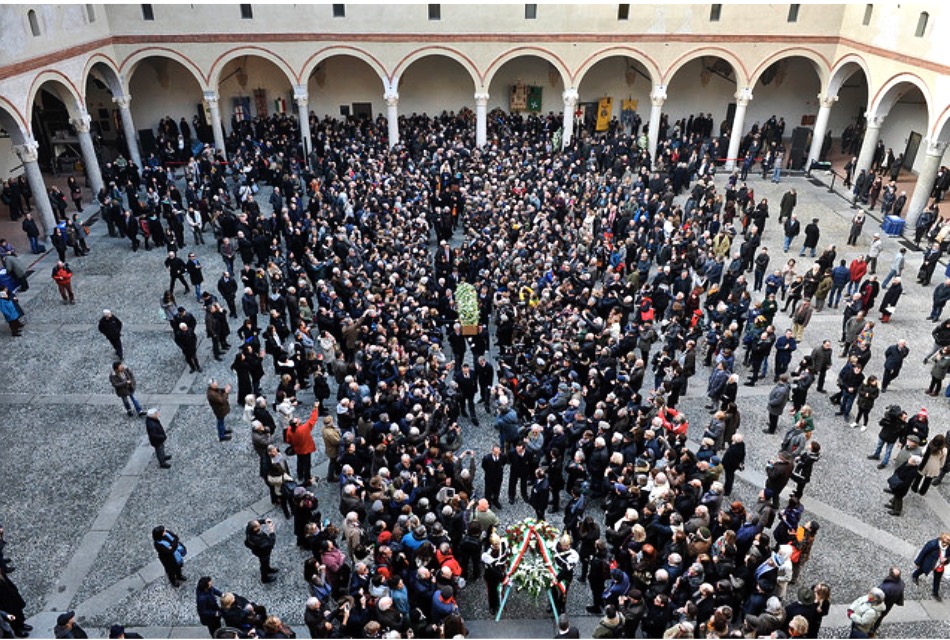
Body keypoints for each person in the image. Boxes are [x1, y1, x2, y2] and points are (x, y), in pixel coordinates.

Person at [284, 402, 320, 484]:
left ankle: (300, 475)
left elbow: (288, 440)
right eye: (297, 420)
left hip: (298, 449)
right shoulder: (304, 428)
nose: (299, 419)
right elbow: (312, 419)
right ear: (296, 424)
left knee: (299, 462)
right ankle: (307, 477)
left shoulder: (289, 430)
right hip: (306, 449)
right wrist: (315, 408)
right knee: (307, 464)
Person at [912, 533, 950, 602]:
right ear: (942, 538)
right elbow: (923, 553)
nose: (946, 544)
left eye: (948, 542)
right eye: (945, 541)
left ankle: (935, 593)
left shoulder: (949, 547)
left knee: (937, 579)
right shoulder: (932, 544)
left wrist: (946, 559)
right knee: (922, 570)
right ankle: (915, 575)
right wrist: (918, 562)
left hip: (940, 566)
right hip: (930, 562)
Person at [244, 519, 278, 583]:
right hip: (263, 553)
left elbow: (256, 522)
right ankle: (264, 578)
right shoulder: (258, 540)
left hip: (258, 550)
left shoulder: (249, 529)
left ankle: (268, 569)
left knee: (266, 563)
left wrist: (264, 521)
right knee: (264, 564)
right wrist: (271, 532)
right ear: (255, 529)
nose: (259, 524)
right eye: (258, 525)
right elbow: (270, 544)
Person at [872, 567, 904, 634]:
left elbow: (877, 597)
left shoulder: (885, 587)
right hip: (888, 606)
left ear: (890, 574)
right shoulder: (901, 584)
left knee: (875, 617)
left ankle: (871, 630)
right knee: (880, 618)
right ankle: (874, 629)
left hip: (880, 606)